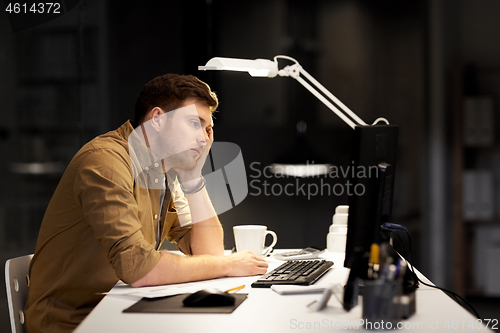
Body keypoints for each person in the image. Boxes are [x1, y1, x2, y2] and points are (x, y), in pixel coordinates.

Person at [24, 74, 268, 333]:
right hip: (73, 323)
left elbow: (209, 252)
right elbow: (138, 269)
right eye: (195, 124)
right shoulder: (105, 163)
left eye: (208, 129)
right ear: (157, 120)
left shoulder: (164, 170)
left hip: (121, 311)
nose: (205, 139)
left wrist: (192, 178)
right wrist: (230, 265)